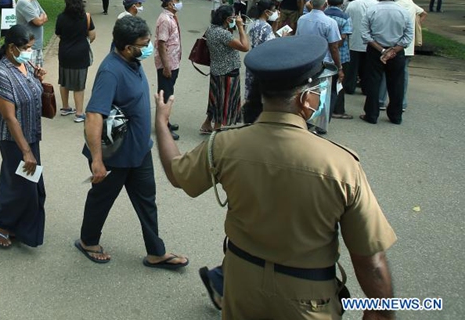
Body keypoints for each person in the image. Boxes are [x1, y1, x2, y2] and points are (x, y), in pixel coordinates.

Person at [154, 35, 397, 319]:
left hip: (240, 285)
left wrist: (161, 122)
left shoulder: (224, 144)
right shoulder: (340, 164)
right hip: (308, 298)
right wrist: (382, 311)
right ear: (306, 99)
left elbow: (176, 172)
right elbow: (370, 260)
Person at [75, 16, 189, 269]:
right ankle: (88, 241)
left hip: (139, 150)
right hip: (115, 155)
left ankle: (156, 252)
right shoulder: (110, 71)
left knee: (147, 200)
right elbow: (94, 115)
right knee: (101, 199)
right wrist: (97, 160)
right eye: (144, 44)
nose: (149, 48)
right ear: (127, 47)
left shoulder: (131, 61)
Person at [0, 25, 48, 248]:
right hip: (14, 140)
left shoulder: (24, 64)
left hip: (31, 133)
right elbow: (10, 118)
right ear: (12, 47)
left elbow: (31, 93)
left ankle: (14, 225)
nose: (29, 51)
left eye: (30, 47)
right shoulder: (2, 74)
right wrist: (26, 151)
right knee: (23, 186)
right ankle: (0, 223)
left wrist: (39, 79)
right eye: (26, 48)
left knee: (21, 182)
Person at [360, 0, 412, 125]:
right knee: (396, 84)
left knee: (373, 82)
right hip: (397, 52)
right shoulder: (403, 12)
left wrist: (383, 51)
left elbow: (365, 34)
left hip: (375, 49)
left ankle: (371, 114)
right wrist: (393, 50)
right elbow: (408, 36)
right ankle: (396, 116)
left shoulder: (371, 11)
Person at [296, 0, 343, 134]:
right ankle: (321, 124)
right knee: (325, 92)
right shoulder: (330, 22)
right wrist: (339, 67)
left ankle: (306, 119)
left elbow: (298, 38)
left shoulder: (302, 19)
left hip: (305, 60)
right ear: (325, 5)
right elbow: (334, 47)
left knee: (307, 90)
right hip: (323, 62)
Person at [199, 5, 249, 134]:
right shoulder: (223, 34)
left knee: (215, 98)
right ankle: (217, 129)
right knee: (224, 101)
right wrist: (240, 27)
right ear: (227, 19)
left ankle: (207, 124)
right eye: (233, 17)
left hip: (216, 69)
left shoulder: (211, 29)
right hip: (228, 71)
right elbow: (245, 47)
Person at [380, 0, 426, 112]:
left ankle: (382, 100)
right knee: (402, 75)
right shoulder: (409, 2)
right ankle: (400, 103)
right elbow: (423, 13)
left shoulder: (399, 5)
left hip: (397, 45)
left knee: (388, 73)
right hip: (406, 44)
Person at [55, 0, 96, 123]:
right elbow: (92, 35)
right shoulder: (87, 16)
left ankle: (65, 107)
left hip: (65, 52)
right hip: (81, 53)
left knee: (64, 80)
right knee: (79, 84)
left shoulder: (61, 17)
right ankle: (79, 113)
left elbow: (59, 34)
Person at [242, 0, 277, 123]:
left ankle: (249, 116)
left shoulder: (253, 23)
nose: (275, 13)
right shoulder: (265, 27)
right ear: (266, 12)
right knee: (260, 92)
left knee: (251, 90)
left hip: (252, 59)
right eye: (273, 11)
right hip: (263, 62)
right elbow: (270, 46)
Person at [155, 0, 184, 140]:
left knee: (167, 92)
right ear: (169, 3)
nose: (179, 2)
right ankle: (163, 127)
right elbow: (161, 44)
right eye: (177, 0)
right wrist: (166, 67)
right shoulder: (166, 20)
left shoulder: (171, 17)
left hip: (173, 62)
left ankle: (166, 121)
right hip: (167, 64)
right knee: (165, 95)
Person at [324, 0, 354, 120]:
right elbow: (344, 36)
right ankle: (338, 110)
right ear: (342, 3)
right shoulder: (345, 17)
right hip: (340, 56)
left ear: (328, 2)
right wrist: (334, 46)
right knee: (339, 84)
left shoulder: (322, 15)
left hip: (323, 55)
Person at [344, 0, 377, 95]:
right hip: (372, 41)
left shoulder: (353, 4)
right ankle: (367, 88)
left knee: (353, 66)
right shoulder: (377, 5)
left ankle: (349, 86)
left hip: (355, 39)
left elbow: (347, 19)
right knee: (369, 67)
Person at [14, 0, 48, 67]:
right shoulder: (24, 2)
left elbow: (45, 15)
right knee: (30, 73)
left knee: (38, 73)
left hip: (37, 44)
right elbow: (38, 22)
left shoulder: (33, 1)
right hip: (29, 46)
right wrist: (40, 19)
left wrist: (40, 19)